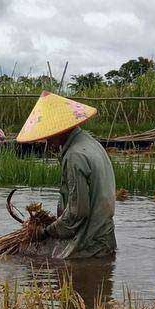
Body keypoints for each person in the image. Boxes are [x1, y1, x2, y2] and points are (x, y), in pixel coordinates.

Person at [14, 92, 116, 258]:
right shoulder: (91, 143)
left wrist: (47, 231)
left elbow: (78, 212)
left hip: (88, 244)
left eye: (48, 136)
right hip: (104, 237)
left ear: (60, 131)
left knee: (27, 256)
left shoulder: (74, 156)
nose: (47, 142)